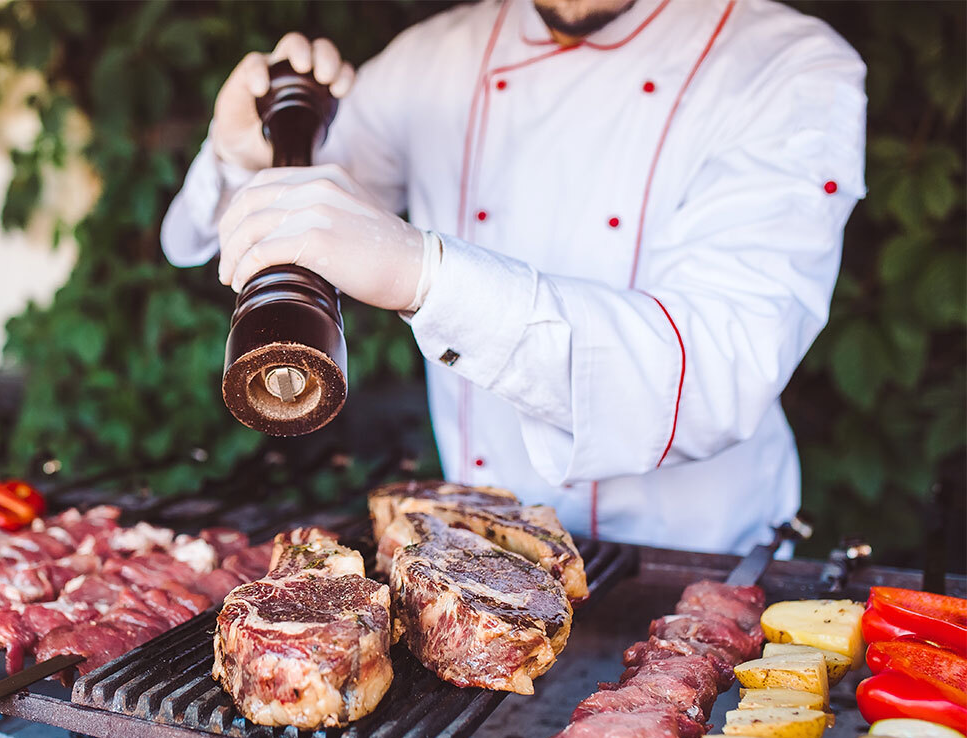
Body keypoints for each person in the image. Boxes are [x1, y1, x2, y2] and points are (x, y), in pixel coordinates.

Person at [162, 0, 866, 553]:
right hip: (480, 567)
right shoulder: (435, 59)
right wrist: (239, 154)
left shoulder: (789, 68)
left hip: (699, 567)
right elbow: (274, 219)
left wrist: (420, 272)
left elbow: (715, 369)